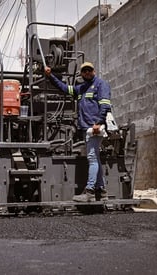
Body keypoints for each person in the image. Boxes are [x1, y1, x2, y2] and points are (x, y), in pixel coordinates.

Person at [45, 62, 111, 202]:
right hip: (86, 128)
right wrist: (51, 76)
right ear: (81, 73)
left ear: (94, 71)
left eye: (89, 70)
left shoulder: (101, 85)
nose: (87, 72)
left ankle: (90, 191)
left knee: (92, 158)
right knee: (95, 159)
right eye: (84, 71)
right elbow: (64, 88)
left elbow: (105, 105)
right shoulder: (81, 88)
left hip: (94, 128)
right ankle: (102, 191)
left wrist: (98, 123)